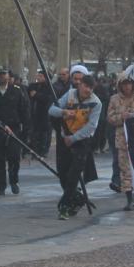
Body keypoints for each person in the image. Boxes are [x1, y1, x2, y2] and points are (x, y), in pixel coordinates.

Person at [49, 73, 102, 219]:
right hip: (64, 138)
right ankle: (77, 198)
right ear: (80, 85)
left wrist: (74, 138)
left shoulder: (96, 103)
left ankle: (65, 206)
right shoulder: (70, 94)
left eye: (91, 88)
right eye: (86, 86)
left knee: (73, 175)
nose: (88, 90)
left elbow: (91, 127)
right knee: (63, 173)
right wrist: (63, 112)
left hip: (81, 141)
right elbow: (51, 110)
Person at [0, 67, 29, 196]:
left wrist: (26, 129)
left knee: (14, 157)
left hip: (13, 128)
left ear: (8, 75)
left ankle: (14, 181)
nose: (2, 77)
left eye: (4, 74)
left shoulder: (17, 91)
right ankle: (0, 186)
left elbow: (24, 111)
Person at [108, 75, 134, 210]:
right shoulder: (114, 99)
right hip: (122, 140)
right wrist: (122, 117)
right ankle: (129, 199)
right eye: (124, 84)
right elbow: (110, 118)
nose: (127, 87)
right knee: (125, 170)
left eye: (129, 84)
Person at [27, 70, 56, 157]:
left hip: (44, 114)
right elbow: (29, 93)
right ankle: (35, 151)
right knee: (34, 133)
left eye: (41, 76)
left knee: (44, 134)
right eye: (38, 76)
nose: (38, 78)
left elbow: (48, 99)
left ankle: (43, 151)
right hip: (34, 113)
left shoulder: (49, 87)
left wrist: (36, 95)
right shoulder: (34, 86)